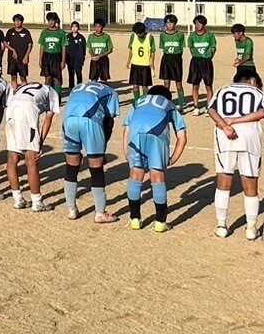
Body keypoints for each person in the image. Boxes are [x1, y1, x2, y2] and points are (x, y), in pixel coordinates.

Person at [209, 71, 264, 239]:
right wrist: (237, 121)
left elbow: (212, 110)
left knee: (224, 180)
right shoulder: (257, 92)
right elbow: (263, 112)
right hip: (249, 136)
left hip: (225, 137)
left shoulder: (222, 90)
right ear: (253, 81)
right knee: (250, 182)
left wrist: (225, 125)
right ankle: (251, 227)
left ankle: (221, 225)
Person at [123, 84, 188, 233]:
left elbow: (126, 130)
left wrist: (127, 152)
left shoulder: (138, 102)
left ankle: (134, 219)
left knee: (135, 174)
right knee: (157, 176)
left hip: (135, 136)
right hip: (157, 135)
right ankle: (160, 221)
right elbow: (182, 137)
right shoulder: (169, 104)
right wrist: (172, 159)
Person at [60, 79, 122, 222]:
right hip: (89, 120)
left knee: (71, 165)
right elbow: (109, 121)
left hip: (68, 120)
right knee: (96, 167)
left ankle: (71, 209)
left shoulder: (78, 87)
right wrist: (102, 149)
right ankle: (100, 213)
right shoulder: (110, 92)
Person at [4, 81, 59, 212]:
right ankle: (37, 202)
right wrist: (40, 142)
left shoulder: (27, 86)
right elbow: (48, 118)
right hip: (26, 110)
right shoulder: (52, 92)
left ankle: (18, 199)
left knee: (12, 159)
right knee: (31, 160)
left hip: (11, 108)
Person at [186, 15, 218, 114]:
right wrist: (197, 56)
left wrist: (208, 57)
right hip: (195, 62)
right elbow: (191, 48)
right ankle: (196, 106)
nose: (197, 25)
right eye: (195, 23)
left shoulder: (210, 35)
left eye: (199, 23)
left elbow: (213, 48)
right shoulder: (192, 36)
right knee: (195, 85)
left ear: (204, 24)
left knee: (208, 85)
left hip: (206, 62)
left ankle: (209, 106)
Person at [157, 14, 186, 105]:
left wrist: (177, 58)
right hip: (166, 59)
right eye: (167, 23)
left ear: (175, 24)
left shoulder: (180, 35)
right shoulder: (162, 35)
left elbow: (181, 49)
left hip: (176, 60)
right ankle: (167, 102)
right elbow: (162, 48)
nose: (169, 25)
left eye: (171, 23)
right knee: (166, 83)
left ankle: (181, 102)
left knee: (178, 83)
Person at [126, 21, 157, 105]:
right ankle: (137, 102)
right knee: (135, 86)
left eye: (140, 33)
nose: (139, 35)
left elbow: (153, 51)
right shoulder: (133, 36)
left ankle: (145, 102)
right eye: (137, 33)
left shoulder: (150, 37)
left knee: (145, 86)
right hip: (135, 65)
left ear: (144, 31)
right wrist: (128, 61)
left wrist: (152, 63)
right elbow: (131, 50)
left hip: (145, 65)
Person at [37, 12, 66, 88]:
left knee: (57, 78)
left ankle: (57, 97)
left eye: (52, 20)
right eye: (49, 20)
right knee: (48, 78)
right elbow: (42, 47)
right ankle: (48, 96)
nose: (50, 22)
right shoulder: (44, 32)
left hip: (56, 56)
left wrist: (63, 61)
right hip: (46, 56)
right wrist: (40, 60)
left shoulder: (61, 32)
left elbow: (63, 47)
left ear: (55, 21)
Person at [3, 15, 33, 87]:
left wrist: (26, 56)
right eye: (16, 20)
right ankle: (14, 91)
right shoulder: (10, 31)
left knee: (23, 77)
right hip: (12, 59)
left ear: (22, 22)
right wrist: (12, 50)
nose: (17, 22)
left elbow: (30, 45)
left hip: (22, 59)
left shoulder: (26, 32)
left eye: (19, 21)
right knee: (13, 77)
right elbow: (5, 43)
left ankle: (23, 93)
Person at [86, 20, 113, 84]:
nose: (97, 28)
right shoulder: (91, 36)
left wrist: (100, 56)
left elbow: (110, 50)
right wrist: (92, 56)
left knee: (103, 79)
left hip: (103, 59)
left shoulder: (106, 36)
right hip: (94, 59)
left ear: (102, 27)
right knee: (93, 79)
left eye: (99, 26)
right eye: (96, 26)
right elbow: (89, 48)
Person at [63, 22, 86, 88]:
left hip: (79, 58)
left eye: (75, 27)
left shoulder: (81, 37)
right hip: (70, 58)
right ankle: (71, 87)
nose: (74, 28)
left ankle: (79, 87)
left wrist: (82, 58)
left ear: (78, 28)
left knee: (78, 73)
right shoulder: (68, 37)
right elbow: (65, 47)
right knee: (71, 74)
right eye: (72, 27)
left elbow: (84, 49)